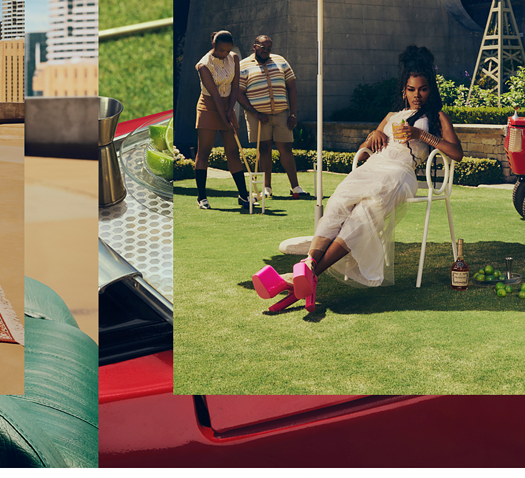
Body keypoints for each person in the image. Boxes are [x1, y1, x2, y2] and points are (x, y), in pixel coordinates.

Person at [294, 46, 464, 310]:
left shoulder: (437, 117)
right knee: (339, 201)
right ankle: (308, 266)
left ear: (430, 89)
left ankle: (310, 273)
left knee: (365, 214)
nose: (417, 95)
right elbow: (364, 152)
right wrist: (371, 136)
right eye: (411, 89)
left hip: (399, 174)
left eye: (422, 89)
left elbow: (457, 153)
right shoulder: (391, 117)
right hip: (374, 167)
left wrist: (421, 136)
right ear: (403, 90)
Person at [236, 34, 311, 200]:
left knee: (286, 149)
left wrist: (293, 114)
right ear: (255, 46)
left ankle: (295, 187)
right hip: (257, 116)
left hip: (282, 113)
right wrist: (255, 113)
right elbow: (239, 93)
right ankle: (267, 188)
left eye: (269, 48)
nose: (267, 51)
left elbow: (292, 87)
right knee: (264, 150)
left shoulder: (280, 60)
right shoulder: (243, 65)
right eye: (263, 48)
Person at [193, 31, 252, 210]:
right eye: (220, 50)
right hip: (209, 105)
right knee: (204, 152)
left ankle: (243, 195)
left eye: (227, 50)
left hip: (227, 105)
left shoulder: (233, 58)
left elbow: (235, 86)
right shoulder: (203, 65)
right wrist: (225, 118)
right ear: (213, 45)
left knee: (233, 151)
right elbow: (216, 96)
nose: (224, 54)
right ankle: (201, 197)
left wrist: (231, 110)